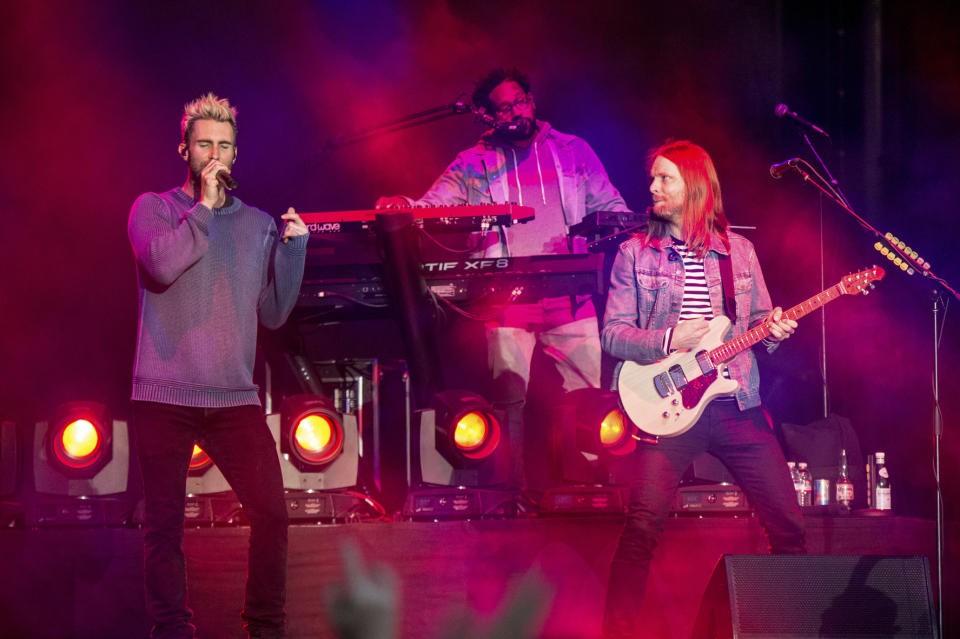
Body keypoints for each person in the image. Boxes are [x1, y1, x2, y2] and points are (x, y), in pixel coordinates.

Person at [376, 68, 630, 488]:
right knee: (508, 403)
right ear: (489, 116)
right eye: (504, 108)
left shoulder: (573, 151)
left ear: (532, 100)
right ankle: (509, 495)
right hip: (507, 304)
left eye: (520, 101)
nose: (515, 112)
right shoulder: (473, 163)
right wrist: (402, 204)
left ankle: (587, 493)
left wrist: (640, 225)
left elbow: (611, 204)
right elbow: (431, 206)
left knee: (588, 402)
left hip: (571, 298)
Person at [600, 140, 805, 638]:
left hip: (736, 401)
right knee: (642, 529)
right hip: (668, 409)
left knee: (789, 527)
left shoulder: (740, 252)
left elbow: (758, 322)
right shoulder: (634, 253)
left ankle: (788, 628)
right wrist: (670, 338)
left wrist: (776, 331)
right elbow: (612, 333)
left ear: (695, 186)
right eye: (653, 179)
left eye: (665, 179)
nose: (653, 188)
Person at [127, 93, 309, 639]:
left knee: (272, 515)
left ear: (235, 153)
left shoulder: (256, 225)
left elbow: (273, 314)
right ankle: (173, 629)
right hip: (163, 395)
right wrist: (204, 208)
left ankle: (265, 627)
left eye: (224, 145)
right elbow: (160, 267)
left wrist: (293, 251)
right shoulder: (152, 208)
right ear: (184, 147)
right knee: (163, 524)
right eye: (204, 143)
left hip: (233, 397)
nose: (214, 154)